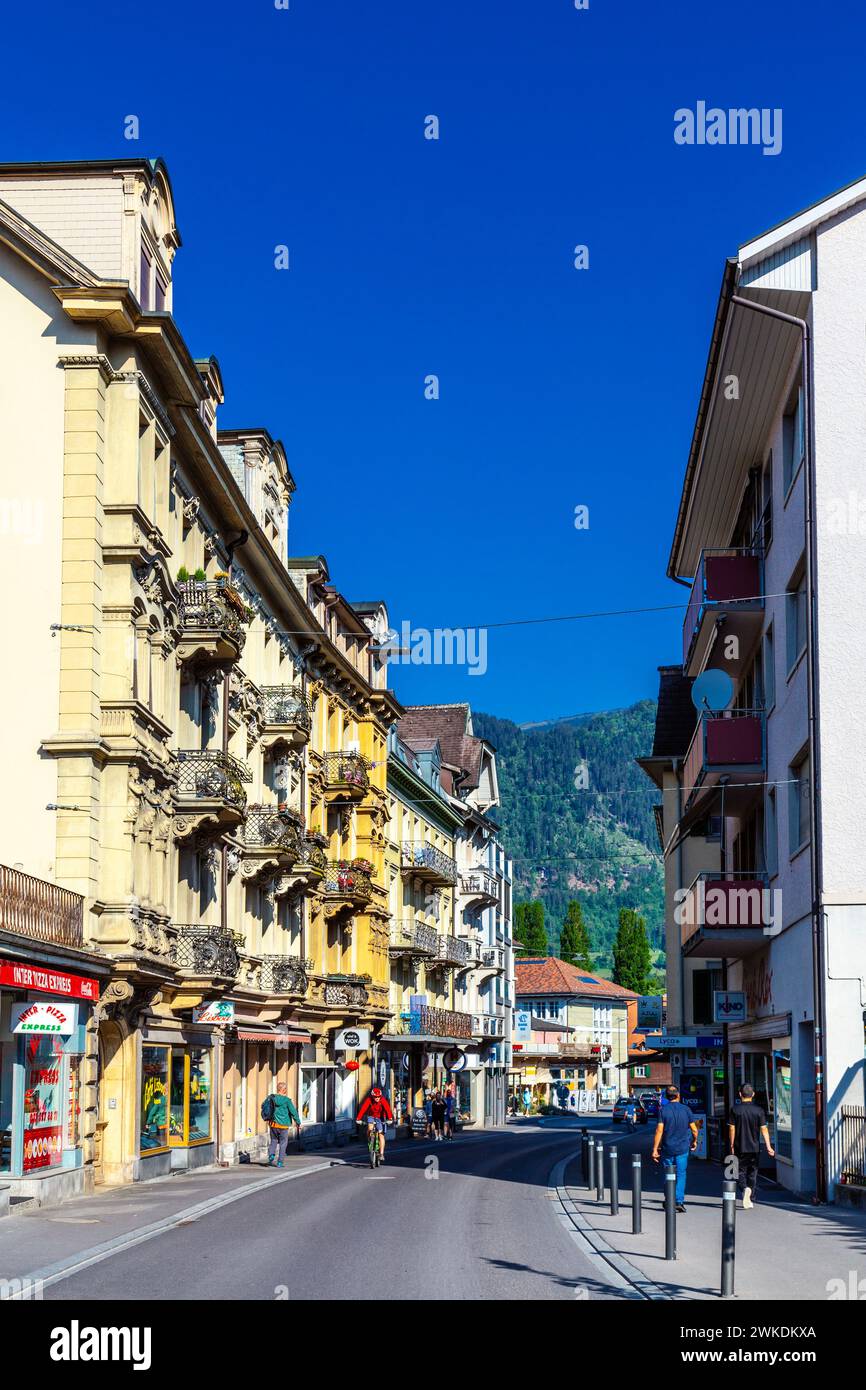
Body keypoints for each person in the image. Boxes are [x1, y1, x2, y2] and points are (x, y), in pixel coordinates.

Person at [651, 1085, 698, 1212]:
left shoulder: (663, 1110)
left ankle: (669, 1199)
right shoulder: (686, 1109)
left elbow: (659, 1130)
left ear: (666, 1096)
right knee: (681, 1174)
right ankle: (679, 1201)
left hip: (667, 1148)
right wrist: (694, 1141)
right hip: (683, 1148)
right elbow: (694, 1129)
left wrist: (655, 1149)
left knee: (668, 1174)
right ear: (678, 1095)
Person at [728, 1082, 775, 1208]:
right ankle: (751, 1196)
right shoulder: (759, 1111)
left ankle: (744, 1189)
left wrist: (731, 1144)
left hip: (739, 1146)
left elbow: (732, 1129)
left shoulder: (735, 1110)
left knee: (738, 1171)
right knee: (753, 1172)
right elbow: (764, 1129)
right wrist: (769, 1146)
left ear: (739, 1094)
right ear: (753, 1094)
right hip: (754, 1147)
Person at [263, 1082, 301, 1168]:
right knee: (283, 1143)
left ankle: (271, 1155)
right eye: (285, 1089)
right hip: (283, 1125)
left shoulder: (272, 1098)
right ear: (283, 1090)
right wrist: (298, 1122)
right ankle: (280, 1162)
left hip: (273, 1124)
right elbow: (293, 1112)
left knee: (273, 1140)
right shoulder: (287, 1101)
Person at [357, 1085, 394, 1163]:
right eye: (375, 1097)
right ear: (372, 1096)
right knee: (370, 1129)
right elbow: (363, 1109)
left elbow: (387, 1109)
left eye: (379, 1097)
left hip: (380, 1118)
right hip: (371, 1116)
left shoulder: (383, 1100)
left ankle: (381, 1154)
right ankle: (369, 1140)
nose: (377, 1098)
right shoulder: (369, 1100)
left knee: (381, 1134)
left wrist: (390, 1118)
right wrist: (358, 1118)